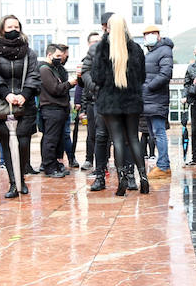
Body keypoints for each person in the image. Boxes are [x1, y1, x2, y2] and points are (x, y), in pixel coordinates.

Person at [88, 13, 149, 196]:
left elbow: (97, 77)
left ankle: (122, 177)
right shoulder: (136, 48)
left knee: (117, 140)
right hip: (131, 100)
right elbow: (142, 77)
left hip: (109, 101)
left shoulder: (102, 48)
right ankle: (143, 178)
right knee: (133, 138)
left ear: (108, 28)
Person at [0, 14, 40, 199]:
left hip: (26, 104)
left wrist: (24, 94)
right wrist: (6, 93)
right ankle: (13, 183)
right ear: (2, 29)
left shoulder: (29, 52)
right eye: (9, 27)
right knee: (6, 144)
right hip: (2, 104)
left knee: (23, 143)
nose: (13, 30)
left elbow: (34, 74)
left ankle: (21, 178)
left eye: (16, 27)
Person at [140, 24, 175, 180]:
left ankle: (163, 166)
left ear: (159, 35)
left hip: (156, 98)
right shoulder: (151, 52)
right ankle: (163, 164)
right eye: (147, 34)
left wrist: (148, 87)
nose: (150, 36)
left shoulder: (164, 50)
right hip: (147, 100)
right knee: (153, 134)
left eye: (153, 33)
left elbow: (166, 73)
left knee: (159, 133)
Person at [38, 43, 73, 177]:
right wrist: (70, 84)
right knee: (51, 139)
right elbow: (55, 89)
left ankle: (55, 164)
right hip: (51, 109)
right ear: (49, 55)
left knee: (57, 140)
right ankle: (49, 167)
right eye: (57, 56)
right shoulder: (44, 70)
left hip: (59, 109)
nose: (60, 58)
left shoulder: (54, 69)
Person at [79, 28, 108, 177]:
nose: (96, 44)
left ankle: (103, 163)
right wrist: (82, 107)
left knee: (103, 135)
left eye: (98, 42)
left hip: (104, 101)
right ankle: (89, 159)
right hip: (91, 102)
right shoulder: (85, 62)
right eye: (93, 42)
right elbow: (82, 88)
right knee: (92, 134)